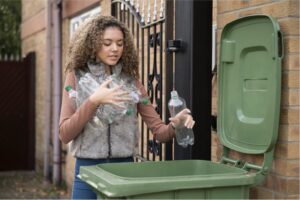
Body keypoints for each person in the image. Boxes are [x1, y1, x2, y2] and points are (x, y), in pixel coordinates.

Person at [59, 15, 195, 199]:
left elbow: (160, 133)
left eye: (120, 43)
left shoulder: (132, 82)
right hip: (87, 170)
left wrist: (176, 125)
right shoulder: (76, 77)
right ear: (92, 44)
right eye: (107, 43)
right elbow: (65, 134)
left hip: (123, 171)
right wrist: (93, 101)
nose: (115, 49)